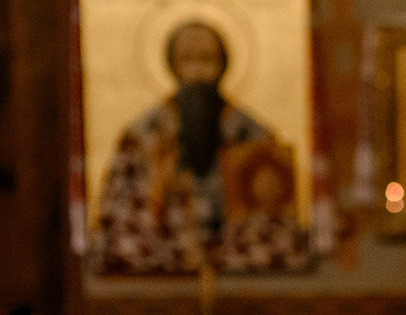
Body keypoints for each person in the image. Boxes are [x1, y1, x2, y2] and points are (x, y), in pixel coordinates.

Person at [91, 20, 311, 274]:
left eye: (207, 59)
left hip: (238, 260)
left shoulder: (253, 136)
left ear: (223, 65)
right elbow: (119, 221)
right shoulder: (141, 136)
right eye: (186, 59)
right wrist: (159, 194)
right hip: (164, 258)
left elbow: (275, 220)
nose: (196, 71)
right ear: (172, 66)